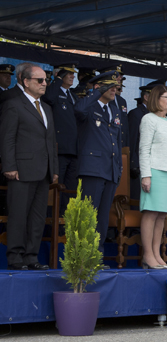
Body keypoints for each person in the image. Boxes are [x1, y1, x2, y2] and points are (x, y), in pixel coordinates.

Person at [2, 63, 59, 270]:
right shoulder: (14, 105)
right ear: (26, 82)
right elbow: (7, 138)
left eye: (46, 80)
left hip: (43, 170)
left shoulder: (46, 108)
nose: (45, 84)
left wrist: (54, 169)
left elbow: (50, 140)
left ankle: (31, 257)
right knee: (18, 214)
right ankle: (15, 257)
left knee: (37, 216)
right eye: (40, 80)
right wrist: (9, 165)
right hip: (21, 169)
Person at [74, 71, 124, 247]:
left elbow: (117, 142)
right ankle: (85, 255)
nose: (114, 89)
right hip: (93, 168)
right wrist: (95, 93)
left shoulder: (114, 110)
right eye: (109, 86)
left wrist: (119, 167)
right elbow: (79, 109)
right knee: (89, 213)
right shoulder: (89, 107)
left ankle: (97, 254)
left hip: (110, 169)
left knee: (103, 215)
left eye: (115, 86)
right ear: (97, 87)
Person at [137, 85, 167, 269]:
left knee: (162, 214)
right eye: (166, 97)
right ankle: (147, 254)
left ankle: (157, 254)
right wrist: (146, 175)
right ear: (156, 99)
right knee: (151, 212)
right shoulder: (149, 119)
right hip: (154, 171)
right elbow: (144, 149)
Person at [42, 63, 78, 210]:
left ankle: (65, 227)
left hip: (74, 150)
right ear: (59, 75)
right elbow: (48, 98)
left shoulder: (73, 95)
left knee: (70, 192)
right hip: (60, 150)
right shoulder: (53, 92)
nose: (72, 76)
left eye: (73, 73)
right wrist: (57, 79)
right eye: (68, 73)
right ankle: (53, 229)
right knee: (56, 190)